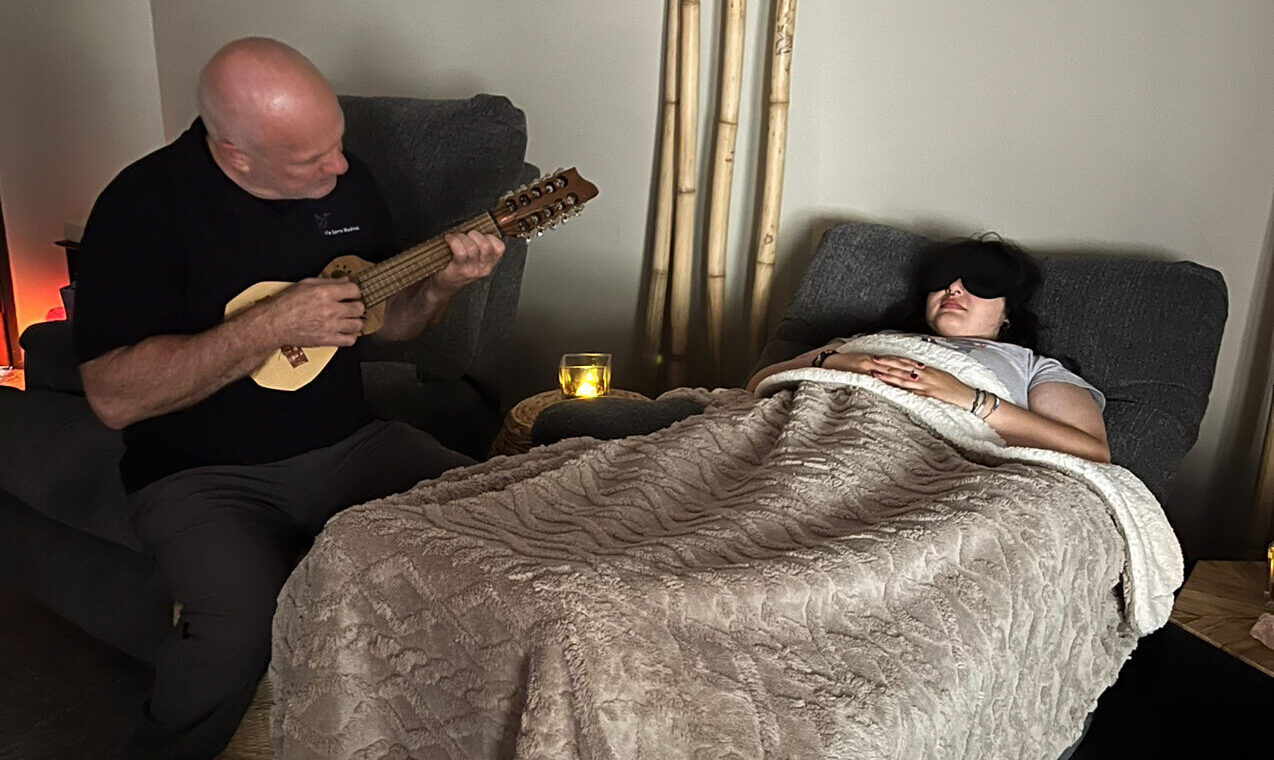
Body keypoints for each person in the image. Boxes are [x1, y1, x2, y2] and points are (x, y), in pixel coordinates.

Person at [72, 37, 505, 758]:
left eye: (337, 142)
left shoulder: (350, 182)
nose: (339, 166)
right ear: (237, 153)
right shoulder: (141, 208)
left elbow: (387, 322)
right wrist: (271, 324)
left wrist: (440, 286)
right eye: (313, 159)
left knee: (489, 511)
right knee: (237, 624)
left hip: (348, 444)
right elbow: (113, 396)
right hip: (201, 477)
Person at [746, 236, 1111, 463]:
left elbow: (1091, 452)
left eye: (979, 284)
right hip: (814, 438)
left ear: (1008, 314)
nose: (954, 289)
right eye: (944, 281)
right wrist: (840, 361)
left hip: (927, 460)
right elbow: (757, 384)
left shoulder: (1031, 365)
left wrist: (969, 399)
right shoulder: (873, 341)